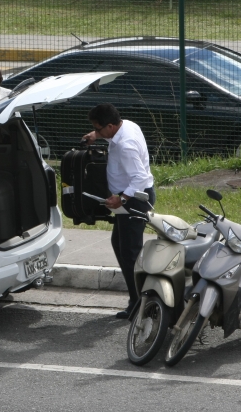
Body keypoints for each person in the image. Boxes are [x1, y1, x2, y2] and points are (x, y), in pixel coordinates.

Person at [82, 103, 155, 320]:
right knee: (121, 246)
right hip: (133, 199)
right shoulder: (127, 125)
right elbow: (108, 134)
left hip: (135, 200)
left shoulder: (125, 145)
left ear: (111, 126)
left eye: (99, 128)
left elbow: (140, 177)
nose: (96, 131)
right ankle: (138, 300)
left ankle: (141, 304)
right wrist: (97, 135)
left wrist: (122, 198)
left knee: (130, 253)